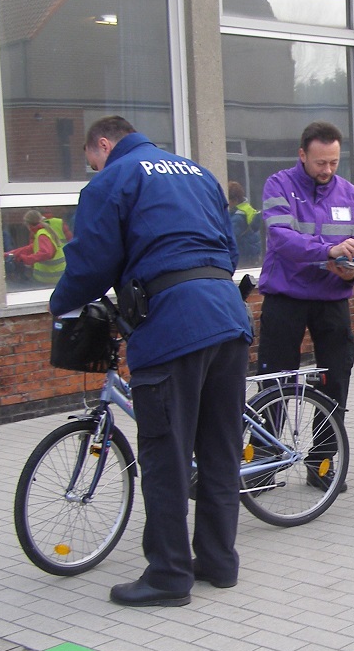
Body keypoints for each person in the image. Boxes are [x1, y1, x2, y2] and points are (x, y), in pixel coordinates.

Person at [49, 116, 252, 607]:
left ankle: (167, 576)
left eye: (90, 159)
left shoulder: (115, 178)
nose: (92, 168)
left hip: (171, 329)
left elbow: (90, 262)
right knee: (220, 450)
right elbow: (227, 248)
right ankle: (219, 562)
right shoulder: (198, 173)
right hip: (228, 319)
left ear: (103, 144)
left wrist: (60, 305)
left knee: (166, 456)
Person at [258, 121, 354, 489]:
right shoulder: (278, 185)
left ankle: (322, 463)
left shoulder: (349, 194)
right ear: (302, 155)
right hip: (286, 299)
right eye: (320, 163)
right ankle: (262, 462)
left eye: (333, 162)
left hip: (332, 302)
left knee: (335, 382)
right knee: (274, 382)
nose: (327, 170)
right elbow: (282, 240)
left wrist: (353, 275)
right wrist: (327, 250)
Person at [5, 210, 69, 285]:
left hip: (49, 279)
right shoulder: (44, 231)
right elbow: (30, 248)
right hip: (54, 277)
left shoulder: (41, 234)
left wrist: (26, 259)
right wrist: (9, 254)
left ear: (28, 225)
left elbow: (46, 253)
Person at [227, 181, 262, 265]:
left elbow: (230, 237)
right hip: (252, 255)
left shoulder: (238, 217)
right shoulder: (247, 209)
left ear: (235, 200)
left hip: (243, 257)